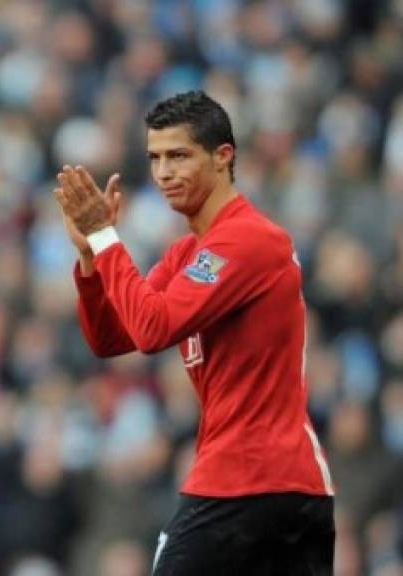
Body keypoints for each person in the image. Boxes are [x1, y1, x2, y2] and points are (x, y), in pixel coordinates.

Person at [52, 91, 335, 574]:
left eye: (179, 155)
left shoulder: (249, 239)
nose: (163, 173)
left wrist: (106, 237)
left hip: (245, 479)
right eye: (155, 158)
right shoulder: (190, 255)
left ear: (224, 157)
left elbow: (154, 328)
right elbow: (112, 338)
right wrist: (90, 256)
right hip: (290, 486)